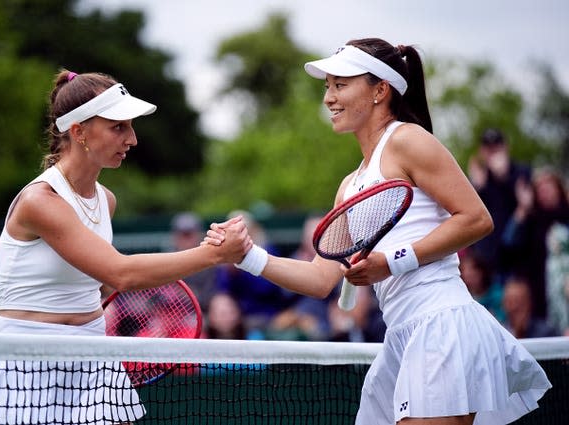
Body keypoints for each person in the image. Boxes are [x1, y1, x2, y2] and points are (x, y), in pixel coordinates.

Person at [206, 38, 551, 425]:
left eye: (340, 85)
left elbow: (476, 219)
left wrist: (391, 262)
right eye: (327, 87)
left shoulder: (409, 140)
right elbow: (322, 278)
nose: (328, 99)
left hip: (441, 324)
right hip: (401, 335)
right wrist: (247, 255)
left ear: (380, 90)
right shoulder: (349, 185)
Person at [0, 69, 251, 425]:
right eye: (118, 127)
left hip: (93, 352)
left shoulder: (106, 200)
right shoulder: (40, 201)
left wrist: (154, 321)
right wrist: (213, 253)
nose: (132, 139)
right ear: (78, 132)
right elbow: (121, 273)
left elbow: (103, 283)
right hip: (27, 360)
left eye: (131, 126)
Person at [501, 167, 569, 320]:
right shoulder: (532, 222)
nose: (545, 194)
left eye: (549, 189)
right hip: (540, 293)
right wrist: (522, 210)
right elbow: (507, 246)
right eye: (540, 190)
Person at [467, 129, 531, 280]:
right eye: (487, 147)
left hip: (516, 257)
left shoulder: (521, 171)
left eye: (496, 146)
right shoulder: (479, 176)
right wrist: (477, 188)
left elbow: (524, 209)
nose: (492, 151)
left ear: (505, 147)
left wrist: (504, 177)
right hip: (487, 259)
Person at [168, 211, 218, 312]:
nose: (186, 239)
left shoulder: (211, 262)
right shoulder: (165, 261)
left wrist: (188, 295)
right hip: (171, 317)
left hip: (203, 316)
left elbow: (212, 298)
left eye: (189, 234)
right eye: (183, 234)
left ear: (199, 234)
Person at [501, 274, 559, 339]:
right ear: (503, 304)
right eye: (510, 302)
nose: (514, 307)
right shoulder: (500, 333)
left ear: (529, 303)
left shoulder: (546, 333)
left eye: (518, 301)